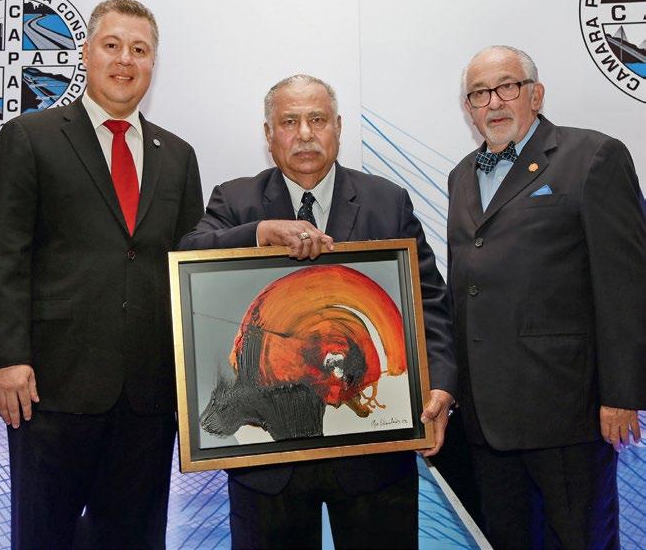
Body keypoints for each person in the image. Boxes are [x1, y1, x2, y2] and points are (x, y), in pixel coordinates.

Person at [179, 74, 456, 549]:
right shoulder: (236, 199)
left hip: (374, 456)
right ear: (268, 134)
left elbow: (430, 300)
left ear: (338, 127)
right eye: (289, 122)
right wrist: (259, 233)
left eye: (317, 119)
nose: (305, 133)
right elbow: (189, 255)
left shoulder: (387, 199)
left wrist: (441, 386)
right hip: (268, 463)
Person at [0, 0, 204, 549]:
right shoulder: (29, 136)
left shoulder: (178, 155)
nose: (125, 59)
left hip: (148, 398)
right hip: (50, 389)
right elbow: (1, 255)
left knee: (135, 538)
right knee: (44, 537)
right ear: (86, 54)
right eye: (112, 45)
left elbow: (191, 262)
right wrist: (5, 358)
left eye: (139, 49)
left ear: (153, 62)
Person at [447, 45, 646, 549]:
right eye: (479, 93)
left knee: (580, 539)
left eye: (506, 87)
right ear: (468, 108)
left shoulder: (593, 156)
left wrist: (622, 394)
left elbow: (626, 284)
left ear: (535, 95)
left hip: (567, 412)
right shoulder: (461, 175)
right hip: (485, 418)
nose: (494, 101)